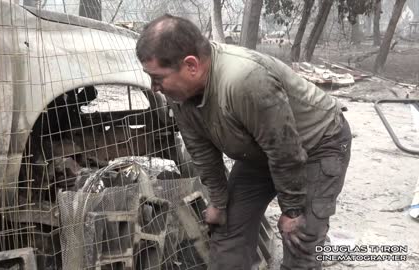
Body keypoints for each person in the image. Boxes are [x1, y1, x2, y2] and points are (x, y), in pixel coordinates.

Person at [136, 14, 352, 270]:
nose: (154, 88)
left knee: (300, 241)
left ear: (191, 65)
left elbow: (285, 152)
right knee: (227, 231)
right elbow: (201, 151)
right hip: (260, 151)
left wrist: (292, 210)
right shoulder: (179, 91)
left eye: (158, 78)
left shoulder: (245, 79)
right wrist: (218, 202)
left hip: (317, 143)